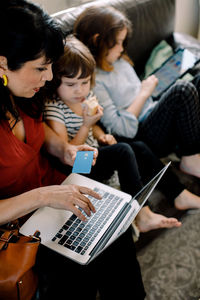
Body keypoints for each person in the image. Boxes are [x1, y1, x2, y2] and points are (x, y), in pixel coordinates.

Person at [0, 1, 146, 299]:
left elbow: (39, 137)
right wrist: (44, 196)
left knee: (113, 228)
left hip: (56, 190)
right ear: (1, 64)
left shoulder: (26, 95)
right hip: (21, 224)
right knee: (78, 270)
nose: (50, 77)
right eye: (41, 68)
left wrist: (66, 149)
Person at [44, 35, 181, 234]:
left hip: (94, 152)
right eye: (71, 84)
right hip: (79, 167)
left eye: (84, 82)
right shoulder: (55, 109)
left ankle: (177, 193)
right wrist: (86, 125)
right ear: (55, 82)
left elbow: (94, 127)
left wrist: (100, 135)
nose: (79, 90)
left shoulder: (86, 96)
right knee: (123, 151)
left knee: (138, 147)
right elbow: (68, 154)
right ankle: (142, 215)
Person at [74, 5, 200, 211]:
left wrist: (149, 89)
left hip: (152, 109)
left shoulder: (120, 61)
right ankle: (191, 157)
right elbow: (123, 129)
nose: (122, 48)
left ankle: (190, 148)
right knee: (182, 90)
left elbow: (134, 91)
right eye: (118, 43)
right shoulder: (92, 80)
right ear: (98, 41)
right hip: (141, 131)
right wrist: (144, 92)